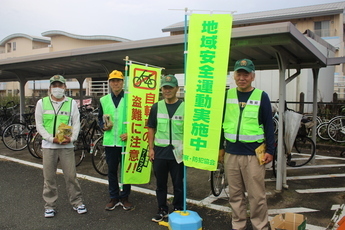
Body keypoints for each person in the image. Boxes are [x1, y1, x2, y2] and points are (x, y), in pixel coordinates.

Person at [220, 59, 275, 230]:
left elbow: (268, 125)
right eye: (239, 74)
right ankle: (238, 224)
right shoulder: (227, 95)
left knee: (256, 195)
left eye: (246, 74)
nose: (242, 77)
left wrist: (271, 150)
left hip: (254, 154)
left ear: (253, 76)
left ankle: (260, 226)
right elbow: (220, 123)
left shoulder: (261, 96)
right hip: (231, 153)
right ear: (234, 76)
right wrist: (220, 148)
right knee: (235, 194)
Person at [35, 74, 87, 218]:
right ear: (50, 88)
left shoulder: (71, 103)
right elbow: (39, 125)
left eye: (60, 85)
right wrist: (51, 139)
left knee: (71, 176)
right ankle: (50, 205)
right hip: (49, 146)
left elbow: (76, 123)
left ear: (65, 87)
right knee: (49, 177)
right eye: (54, 85)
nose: (57, 88)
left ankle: (77, 202)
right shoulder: (42, 103)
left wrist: (72, 138)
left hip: (67, 146)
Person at [147, 75, 184, 222]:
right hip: (160, 151)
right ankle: (162, 209)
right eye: (165, 87)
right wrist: (151, 148)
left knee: (178, 184)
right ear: (161, 89)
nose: (167, 90)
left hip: (178, 152)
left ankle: (178, 208)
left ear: (177, 89)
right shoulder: (156, 107)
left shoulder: (185, 107)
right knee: (160, 184)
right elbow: (151, 128)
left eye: (170, 87)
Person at [98, 70, 134, 211]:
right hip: (110, 142)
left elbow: (135, 120)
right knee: (112, 171)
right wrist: (103, 126)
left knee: (126, 171)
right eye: (113, 81)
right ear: (110, 83)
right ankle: (113, 197)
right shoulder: (103, 100)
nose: (115, 83)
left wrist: (129, 133)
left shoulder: (130, 99)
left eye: (118, 80)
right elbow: (100, 117)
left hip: (125, 141)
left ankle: (125, 197)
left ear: (122, 82)